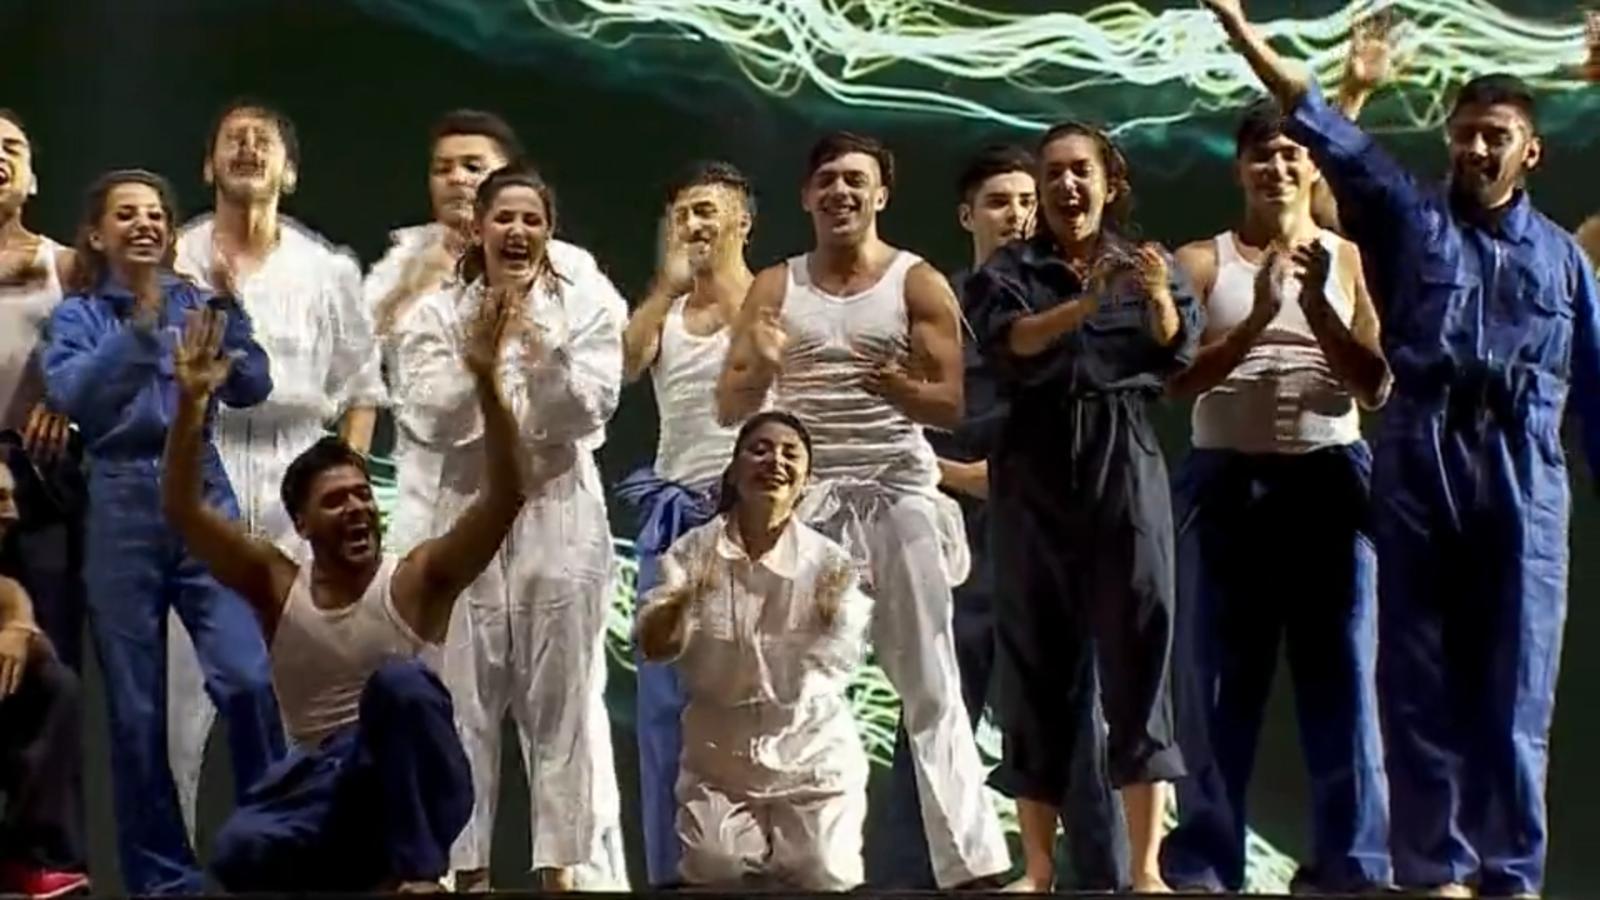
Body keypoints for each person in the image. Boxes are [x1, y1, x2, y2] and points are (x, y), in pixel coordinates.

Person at [1206, 2, 1600, 895]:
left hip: (1525, 477)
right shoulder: (1409, 217)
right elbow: (1319, 125)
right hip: (1423, 459)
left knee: (1517, 682)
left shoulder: (1565, 261)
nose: (1476, 149)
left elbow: (1595, 388)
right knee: (1416, 676)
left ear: (1531, 151)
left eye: (1496, 136)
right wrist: (1239, 29)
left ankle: (1510, 871)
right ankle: (1436, 869)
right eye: (1465, 134)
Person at [718, 131, 1011, 890]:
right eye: (827, 180)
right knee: (793, 685)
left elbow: (950, 405)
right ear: (807, 197)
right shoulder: (775, 287)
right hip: (811, 502)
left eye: (856, 180)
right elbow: (730, 405)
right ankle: (805, 860)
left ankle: (971, 866)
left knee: (931, 683)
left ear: (880, 194)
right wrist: (763, 369)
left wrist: (902, 390)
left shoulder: (917, 283)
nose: (840, 192)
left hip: (898, 492)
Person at [158, 288, 527, 891]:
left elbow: (507, 495)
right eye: (335, 502)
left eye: (362, 496)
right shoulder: (277, 584)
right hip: (331, 790)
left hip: (423, 783)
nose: (357, 508)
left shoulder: (417, 580)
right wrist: (191, 403)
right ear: (302, 525)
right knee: (239, 848)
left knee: (399, 683)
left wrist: (488, 381)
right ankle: (363, 879)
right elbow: (182, 510)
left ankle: (417, 876)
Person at [875, 144, 1130, 891]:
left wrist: (990, 480)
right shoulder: (935, 311)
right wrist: (949, 478)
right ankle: (910, 878)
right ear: (967, 215)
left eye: (1027, 200)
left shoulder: (1065, 309)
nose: (1017, 214)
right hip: (956, 544)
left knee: (1072, 717)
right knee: (934, 711)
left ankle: (1103, 879)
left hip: (1051, 540)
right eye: (998, 201)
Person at [1160, 101, 1392, 894]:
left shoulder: (1350, 258)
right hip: (1226, 481)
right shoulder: (1201, 261)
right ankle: (1204, 864)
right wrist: (1259, 315)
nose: (1277, 167)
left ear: (1312, 166)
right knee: (1215, 684)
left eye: (1292, 153)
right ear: (1240, 169)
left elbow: (1375, 384)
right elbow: (1175, 381)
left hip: (1330, 480)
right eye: (1262, 154)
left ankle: (1352, 866)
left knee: (1345, 681)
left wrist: (1319, 308)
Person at [964, 122, 1201, 893]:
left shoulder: (1148, 261)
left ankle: (1146, 869)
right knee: (1035, 664)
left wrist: (1155, 294)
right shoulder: (1009, 270)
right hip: (1032, 464)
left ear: (1110, 183)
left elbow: (1174, 351)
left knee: (1139, 654)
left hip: (1122, 459)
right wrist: (1086, 304)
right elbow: (1012, 343)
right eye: (1054, 174)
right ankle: (1037, 870)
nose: (1067, 185)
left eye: (1081, 172)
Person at [41, 170, 284, 894]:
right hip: (119, 496)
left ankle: (272, 853)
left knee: (247, 676)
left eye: (155, 214)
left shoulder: (197, 302)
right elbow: (75, 395)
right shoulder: (81, 315)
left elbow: (254, 385)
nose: (145, 223)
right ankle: (162, 878)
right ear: (96, 235)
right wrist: (142, 329)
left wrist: (231, 316)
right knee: (135, 705)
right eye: (127, 214)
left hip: (200, 487)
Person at [389, 165, 628, 891]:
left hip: (560, 510)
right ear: (479, 228)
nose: (518, 232)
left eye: (532, 220)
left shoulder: (582, 302)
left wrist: (538, 346)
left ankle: (562, 873)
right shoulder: (436, 313)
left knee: (563, 702)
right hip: (469, 512)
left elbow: (589, 407)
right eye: (504, 218)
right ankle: (470, 873)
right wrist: (483, 368)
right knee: (465, 699)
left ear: (549, 231)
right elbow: (431, 417)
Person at [166, 97, 386, 840]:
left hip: (301, 473)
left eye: (265, 140)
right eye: (234, 138)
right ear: (208, 165)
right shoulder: (175, 258)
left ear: (289, 172)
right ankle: (176, 872)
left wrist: (343, 490)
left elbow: (361, 389)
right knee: (186, 692)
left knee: (311, 687)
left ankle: (305, 862)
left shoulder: (327, 268)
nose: (249, 148)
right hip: (205, 464)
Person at [636, 410, 872, 890]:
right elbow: (655, 648)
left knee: (821, 870)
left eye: (790, 454)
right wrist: (678, 605)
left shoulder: (830, 564)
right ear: (733, 470)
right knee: (716, 868)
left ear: (805, 482)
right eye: (759, 450)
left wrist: (830, 617)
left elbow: (838, 664)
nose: (774, 462)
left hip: (811, 753)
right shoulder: (691, 553)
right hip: (720, 761)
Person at [616, 159, 756, 887]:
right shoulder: (666, 313)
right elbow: (624, 366)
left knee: (753, 703)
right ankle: (671, 875)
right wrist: (667, 285)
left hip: (751, 518)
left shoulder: (773, 298)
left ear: (743, 221)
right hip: (673, 517)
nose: (696, 225)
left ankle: (759, 869)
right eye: (684, 215)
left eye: (709, 211)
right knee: (664, 706)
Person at [0, 108, 86, 675]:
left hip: (38, 473)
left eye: (12, 147)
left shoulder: (68, 267)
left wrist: (64, 400)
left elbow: (108, 357)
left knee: (48, 647)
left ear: (32, 180)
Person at [365, 110, 526, 358]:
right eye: (442, 169)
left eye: (472, 167)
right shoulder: (402, 261)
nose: (456, 178)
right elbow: (354, 356)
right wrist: (405, 294)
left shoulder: (565, 267)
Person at [0, 462, 89, 900]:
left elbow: (17, 608)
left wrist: (21, 630)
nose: (12, 513)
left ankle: (29, 859)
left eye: (11, 498)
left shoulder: (7, 589)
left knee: (54, 684)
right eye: (0, 499)